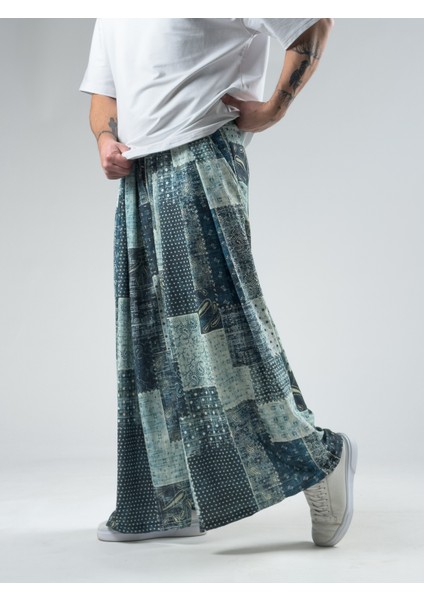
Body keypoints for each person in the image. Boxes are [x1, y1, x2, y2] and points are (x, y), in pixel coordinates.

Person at [79, 18, 357, 548]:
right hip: (139, 170)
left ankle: (322, 458)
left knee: (227, 331)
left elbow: (313, 22)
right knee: (151, 343)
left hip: (202, 153)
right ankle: (170, 500)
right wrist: (105, 136)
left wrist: (273, 108)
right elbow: (103, 89)